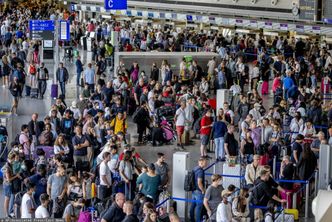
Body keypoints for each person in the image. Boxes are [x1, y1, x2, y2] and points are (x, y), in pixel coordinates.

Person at [190, 157, 207, 222]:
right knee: (199, 207)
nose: (206, 164)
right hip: (199, 191)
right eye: (205, 162)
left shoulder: (195, 168)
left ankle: (192, 219)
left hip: (194, 190)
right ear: (201, 162)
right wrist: (203, 190)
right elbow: (199, 182)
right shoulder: (201, 171)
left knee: (193, 205)